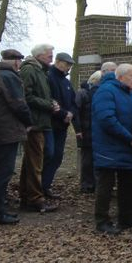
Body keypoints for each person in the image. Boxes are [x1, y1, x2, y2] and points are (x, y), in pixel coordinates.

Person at [91, 64, 132, 235]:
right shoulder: (105, 91)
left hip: (128, 146)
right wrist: (128, 137)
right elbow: (107, 119)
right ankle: (102, 221)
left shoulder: (130, 94)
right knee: (106, 185)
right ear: (120, 77)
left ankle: (126, 217)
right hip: (109, 147)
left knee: (127, 184)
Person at [0, 49, 32, 225]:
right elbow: (18, 103)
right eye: (19, 60)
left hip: (0, 128)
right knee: (3, 171)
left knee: (0, 171)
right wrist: (28, 121)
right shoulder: (8, 77)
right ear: (16, 62)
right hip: (6, 130)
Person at [20, 44, 60, 213]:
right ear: (39, 55)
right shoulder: (30, 70)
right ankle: (35, 199)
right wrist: (48, 105)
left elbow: (42, 94)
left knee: (33, 161)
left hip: (42, 121)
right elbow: (27, 96)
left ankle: (27, 195)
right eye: (49, 56)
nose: (52, 59)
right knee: (35, 162)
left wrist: (52, 102)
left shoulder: (41, 71)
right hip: (35, 123)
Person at [45, 52, 78, 199]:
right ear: (58, 62)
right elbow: (50, 101)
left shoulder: (66, 82)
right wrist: (64, 114)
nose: (69, 67)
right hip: (51, 123)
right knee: (49, 154)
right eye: (67, 64)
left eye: (70, 64)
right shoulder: (49, 77)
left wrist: (71, 113)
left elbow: (73, 101)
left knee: (57, 156)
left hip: (63, 125)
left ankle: (46, 185)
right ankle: (41, 186)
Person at [74, 70, 103, 193]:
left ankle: (95, 183)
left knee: (95, 158)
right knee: (87, 159)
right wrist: (78, 129)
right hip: (85, 131)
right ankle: (86, 184)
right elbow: (76, 112)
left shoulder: (99, 93)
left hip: (96, 131)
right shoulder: (82, 93)